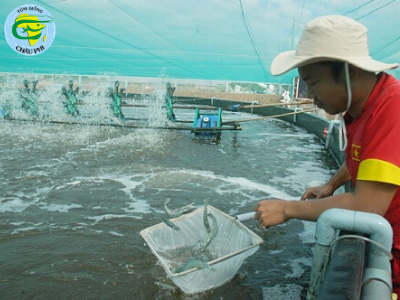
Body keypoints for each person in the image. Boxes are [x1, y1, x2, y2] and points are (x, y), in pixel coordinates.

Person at [254, 15, 400, 293]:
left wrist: (288, 208)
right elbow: (367, 158)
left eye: (313, 83)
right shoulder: (365, 108)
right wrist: (331, 184)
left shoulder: (393, 108)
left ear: (350, 71)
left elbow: (367, 207)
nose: (310, 95)